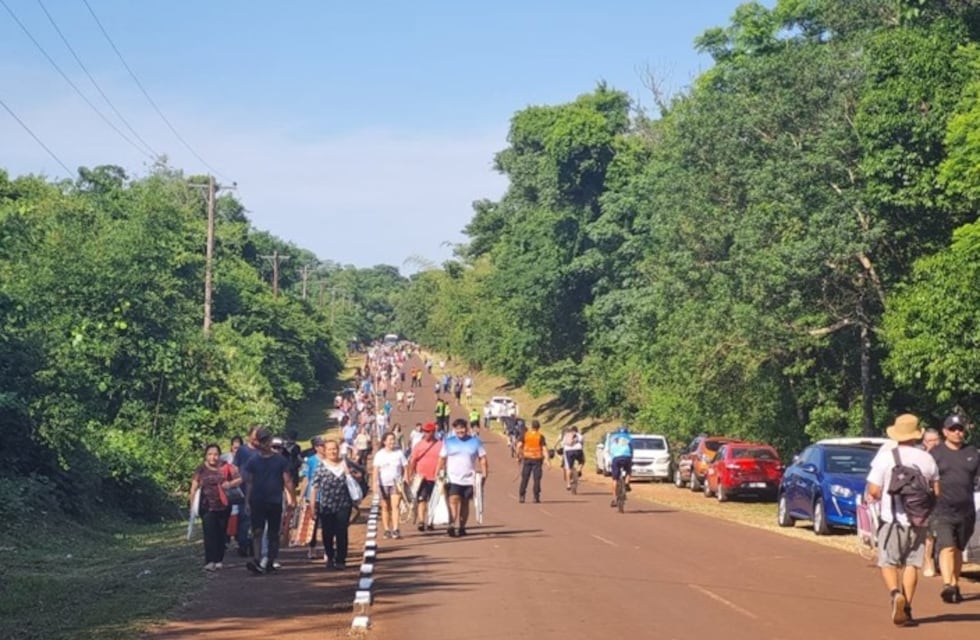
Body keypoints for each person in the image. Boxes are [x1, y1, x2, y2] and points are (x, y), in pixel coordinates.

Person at [865, 413, 939, 626]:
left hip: (892, 520)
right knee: (912, 564)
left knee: (887, 561)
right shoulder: (926, 458)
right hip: (919, 520)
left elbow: (874, 489)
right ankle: (907, 606)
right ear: (917, 435)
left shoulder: (886, 457)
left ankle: (895, 593)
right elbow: (937, 490)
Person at [930, 414, 979, 604]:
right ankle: (947, 584)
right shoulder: (936, 453)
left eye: (960, 429)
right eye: (953, 429)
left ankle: (954, 582)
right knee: (947, 547)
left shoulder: (972, 452)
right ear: (945, 432)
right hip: (941, 510)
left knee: (958, 549)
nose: (958, 432)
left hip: (966, 511)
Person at [243, 428, 296, 575]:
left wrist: (292, 498)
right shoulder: (253, 460)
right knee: (257, 531)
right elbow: (249, 482)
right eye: (263, 440)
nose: (266, 443)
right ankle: (257, 559)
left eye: (267, 440)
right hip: (257, 500)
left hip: (274, 501)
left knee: (273, 532)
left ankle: (270, 561)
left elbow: (288, 480)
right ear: (258, 442)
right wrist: (247, 501)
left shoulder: (280, 460)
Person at [311, 438, 364, 569]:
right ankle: (329, 556)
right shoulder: (321, 466)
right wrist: (313, 506)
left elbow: (360, 474)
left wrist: (351, 474)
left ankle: (341, 559)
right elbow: (314, 487)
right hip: (326, 505)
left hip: (343, 504)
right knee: (327, 533)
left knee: (341, 531)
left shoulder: (345, 463)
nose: (332, 452)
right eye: (329, 449)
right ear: (325, 451)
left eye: (334, 449)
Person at [189, 444, 240, 571]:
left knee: (221, 533)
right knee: (209, 533)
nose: (213, 457)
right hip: (206, 506)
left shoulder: (226, 466)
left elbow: (240, 479)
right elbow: (194, 487)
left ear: (219, 455)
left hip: (224, 505)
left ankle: (219, 559)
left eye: (215, 454)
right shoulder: (200, 469)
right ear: (206, 456)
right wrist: (192, 505)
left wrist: (230, 484)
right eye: (210, 454)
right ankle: (210, 561)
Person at [436, 418, 488, 537]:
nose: (460, 431)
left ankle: (462, 527)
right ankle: (452, 525)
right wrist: (437, 472)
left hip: (469, 479)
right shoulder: (448, 442)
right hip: (453, 478)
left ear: (467, 429)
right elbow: (442, 458)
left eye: (462, 428)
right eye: (458, 428)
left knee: (465, 503)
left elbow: (483, 458)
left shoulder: (475, 441)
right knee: (453, 500)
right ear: (454, 429)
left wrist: (484, 473)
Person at [232, 426, 261, 557]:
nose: (256, 440)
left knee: (257, 520)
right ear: (249, 436)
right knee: (244, 518)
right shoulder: (242, 451)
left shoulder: (263, 450)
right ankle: (243, 544)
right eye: (254, 437)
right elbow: (235, 467)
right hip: (243, 489)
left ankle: (255, 546)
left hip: (260, 490)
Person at [373, 431, 409, 539]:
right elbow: (375, 470)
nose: (392, 442)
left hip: (396, 483)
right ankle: (386, 529)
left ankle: (395, 528)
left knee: (395, 506)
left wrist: (406, 478)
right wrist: (374, 483)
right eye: (389, 440)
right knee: (385, 507)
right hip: (383, 484)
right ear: (384, 442)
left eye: (393, 439)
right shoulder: (379, 454)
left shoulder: (399, 453)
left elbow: (406, 466)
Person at [408, 422, 441, 532]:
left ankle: (431, 521)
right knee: (422, 499)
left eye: (428, 431)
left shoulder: (440, 445)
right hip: (421, 477)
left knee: (433, 500)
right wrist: (411, 474)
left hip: (435, 477)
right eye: (424, 431)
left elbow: (445, 460)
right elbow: (412, 461)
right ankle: (422, 521)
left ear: (433, 432)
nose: (426, 433)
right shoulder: (419, 445)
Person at [920, 428, 942, 577]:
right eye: (931, 441)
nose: (934, 443)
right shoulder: (922, 458)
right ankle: (928, 560)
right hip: (924, 501)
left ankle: (938, 561)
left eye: (936, 440)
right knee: (929, 533)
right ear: (924, 442)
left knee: (939, 533)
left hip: (944, 500)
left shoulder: (946, 456)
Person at [516, 419, 550, 504]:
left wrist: (519, 456)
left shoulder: (525, 435)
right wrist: (547, 460)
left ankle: (522, 496)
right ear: (538, 428)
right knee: (537, 479)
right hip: (537, 460)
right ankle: (536, 496)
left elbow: (519, 445)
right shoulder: (540, 436)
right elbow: (544, 449)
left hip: (527, 458)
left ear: (531, 427)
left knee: (525, 478)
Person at [608, 425, 633, 507]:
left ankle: (614, 499)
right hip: (626, 457)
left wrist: (612, 457)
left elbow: (609, 449)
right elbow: (631, 449)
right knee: (629, 471)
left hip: (616, 458)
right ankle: (626, 483)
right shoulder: (629, 437)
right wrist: (631, 456)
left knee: (615, 479)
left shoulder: (613, 437)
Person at [560, 426, 585, 490]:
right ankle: (579, 469)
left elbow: (562, 444)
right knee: (582, 461)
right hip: (578, 450)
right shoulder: (579, 435)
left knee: (568, 468)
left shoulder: (566, 435)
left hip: (568, 451)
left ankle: (568, 484)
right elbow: (582, 444)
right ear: (577, 430)